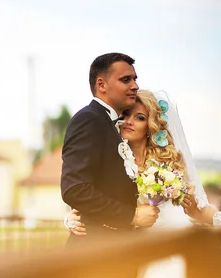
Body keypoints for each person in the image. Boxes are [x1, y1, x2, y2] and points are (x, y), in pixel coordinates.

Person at [64, 89, 221, 278]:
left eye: (140, 117)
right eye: (125, 115)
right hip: (129, 250)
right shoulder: (112, 158)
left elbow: (197, 208)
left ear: (151, 125)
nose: (129, 122)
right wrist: (71, 218)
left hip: (169, 246)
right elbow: (88, 196)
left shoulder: (169, 162)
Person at [60, 53, 160, 244]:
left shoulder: (116, 127)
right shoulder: (89, 119)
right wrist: (132, 216)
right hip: (94, 254)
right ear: (101, 85)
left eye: (135, 79)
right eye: (125, 80)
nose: (135, 86)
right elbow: (75, 189)